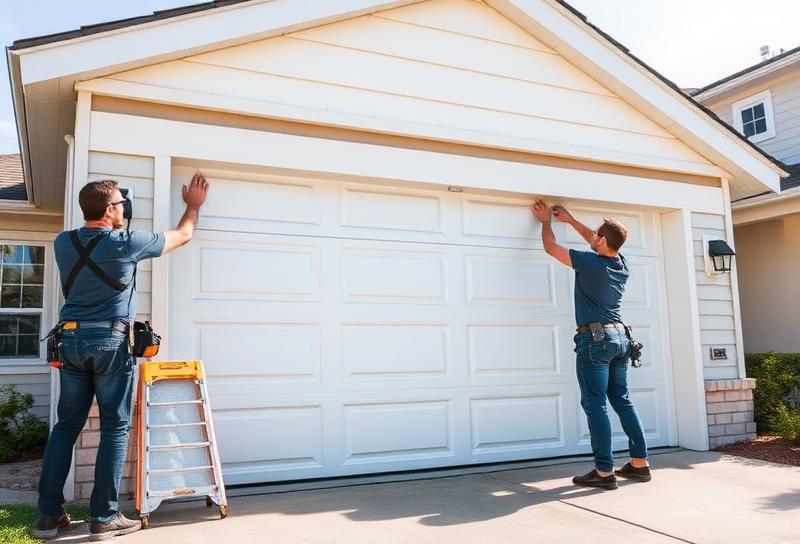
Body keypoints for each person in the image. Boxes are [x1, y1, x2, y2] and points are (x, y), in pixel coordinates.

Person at [33, 174, 209, 540]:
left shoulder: (63, 242)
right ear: (111, 210)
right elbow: (183, 235)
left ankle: (48, 516)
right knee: (115, 427)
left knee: (65, 426)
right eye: (121, 204)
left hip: (69, 340)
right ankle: (104, 517)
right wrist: (193, 204)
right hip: (109, 343)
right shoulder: (126, 243)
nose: (124, 209)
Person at [531, 199, 650, 490]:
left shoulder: (590, 262)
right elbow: (596, 240)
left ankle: (604, 472)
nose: (593, 237)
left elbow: (551, 248)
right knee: (621, 400)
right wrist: (570, 220)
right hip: (621, 339)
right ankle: (639, 463)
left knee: (595, 404)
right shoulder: (620, 264)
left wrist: (546, 221)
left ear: (603, 240)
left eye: (597, 235)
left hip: (595, 341)